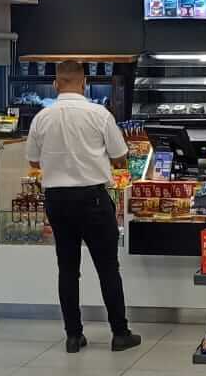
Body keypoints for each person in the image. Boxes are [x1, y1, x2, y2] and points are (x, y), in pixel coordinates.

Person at [24, 61, 141, 354]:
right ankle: (120, 333)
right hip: (93, 199)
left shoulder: (42, 118)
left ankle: (73, 336)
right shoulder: (99, 114)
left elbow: (33, 161)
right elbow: (120, 156)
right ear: (85, 82)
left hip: (57, 200)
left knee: (67, 269)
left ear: (55, 84)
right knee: (107, 268)